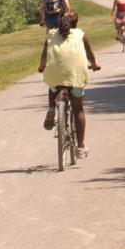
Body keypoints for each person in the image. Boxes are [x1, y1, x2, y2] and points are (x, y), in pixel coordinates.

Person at [38, 10, 100, 158]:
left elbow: (45, 54)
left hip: (55, 75)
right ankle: (80, 147)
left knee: (53, 85)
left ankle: (52, 109)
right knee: (78, 109)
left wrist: (41, 66)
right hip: (75, 77)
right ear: (76, 23)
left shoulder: (51, 34)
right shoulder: (80, 35)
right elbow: (90, 53)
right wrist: (94, 64)